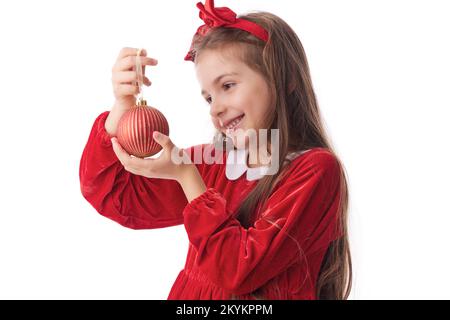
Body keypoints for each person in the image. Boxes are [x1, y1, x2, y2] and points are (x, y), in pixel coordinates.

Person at [79, 0, 352, 300]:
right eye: (208, 98)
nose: (216, 108)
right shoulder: (214, 165)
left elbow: (238, 270)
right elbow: (116, 195)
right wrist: (122, 108)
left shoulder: (316, 171)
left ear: (284, 80)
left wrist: (188, 178)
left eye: (228, 86)